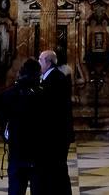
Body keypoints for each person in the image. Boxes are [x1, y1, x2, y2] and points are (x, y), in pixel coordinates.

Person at [0, 59, 45, 195]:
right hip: (38, 151)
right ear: (38, 74)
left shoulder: (8, 95)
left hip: (16, 151)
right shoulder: (43, 95)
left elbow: (3, 124)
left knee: (16, 190)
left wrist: (8, 137)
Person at [38, 51, 74, 195]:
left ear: (48, 62)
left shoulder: (56, 79)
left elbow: (54, 109)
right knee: (55, 169)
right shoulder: (52, 77)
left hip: (56, 133)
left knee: (57, 168)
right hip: (56, 132)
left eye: (40, 59)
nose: (38, 62)